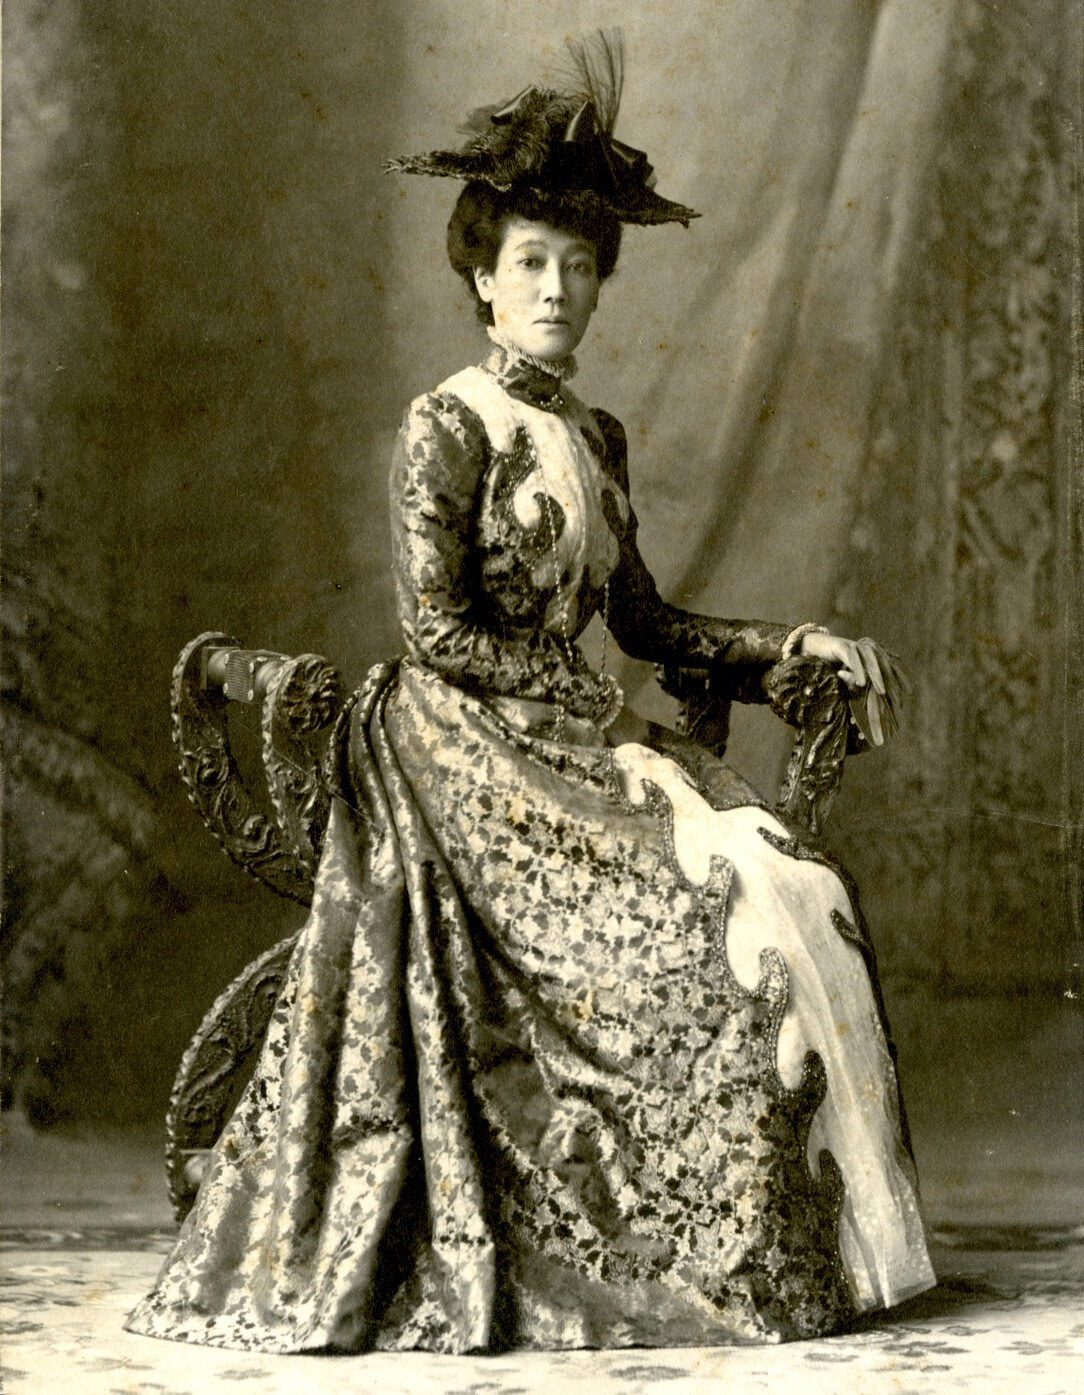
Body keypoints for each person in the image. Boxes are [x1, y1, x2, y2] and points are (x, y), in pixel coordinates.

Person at [126, 34, 935, 1355]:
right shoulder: (444, 426)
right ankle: (681, 1245)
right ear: (484, 282)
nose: (557, 290)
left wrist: (793, 639)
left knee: (796, 893)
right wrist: (580, 708)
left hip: (578, 742)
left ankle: (811, 1259)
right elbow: (435, 630)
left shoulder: (595, 439)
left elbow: (645, 620)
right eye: (530, 264)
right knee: (691, 940)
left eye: (578, 266)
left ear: (599, 282)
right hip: (458, 750)